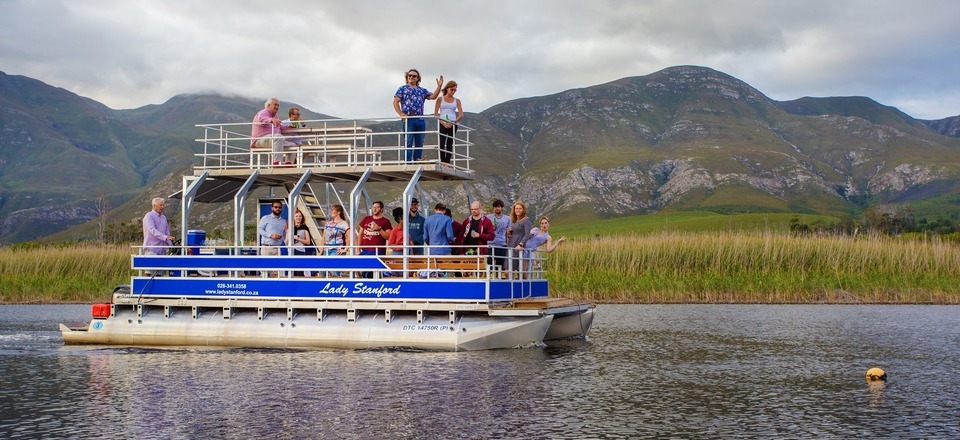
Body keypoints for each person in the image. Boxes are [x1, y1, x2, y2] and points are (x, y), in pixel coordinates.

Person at [393, 69, 443, 162]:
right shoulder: (402, 89)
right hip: (409, 118)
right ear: (407, 77)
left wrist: (439, 87)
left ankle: (417, 160)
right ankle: (408, 162)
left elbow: (433, 97)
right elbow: (396, 101)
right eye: (409, 75)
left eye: (414, 76)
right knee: (408, 141)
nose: (411, 77)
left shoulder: (422, 90)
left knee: (419, 142)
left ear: (417, 78)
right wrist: (400, 113)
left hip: (420, 118)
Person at [250, 97, 295, 166]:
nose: (277, 107)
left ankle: (289, 164)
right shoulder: (264, 112)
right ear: (268, 105)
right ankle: (277, 162)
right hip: (260, 139)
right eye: (275, 105)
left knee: (292, 145)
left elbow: (278, 126)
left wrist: (287, 126)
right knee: (278, 137)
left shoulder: (275, 116)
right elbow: (261, 119)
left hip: (273, 139)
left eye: (278, 105)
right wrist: (271, 120)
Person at [142, 197, 175, 277]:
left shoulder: (164, 218)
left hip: (162, 250)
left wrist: (171, 246)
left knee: (160, 274)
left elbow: (167, 232)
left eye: (163, 205)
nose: (162, 207)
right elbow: (152, 230)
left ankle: (158, 289)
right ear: (154, 205)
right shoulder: (149, 216)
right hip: (152, 248)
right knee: (149, 272)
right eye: (160, 205)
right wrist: (165, 237)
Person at [434, 80, 463, 164]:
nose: (453, 91)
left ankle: (447, 163)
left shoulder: (457, 101)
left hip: (452, 123)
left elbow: (461, 114)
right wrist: (443, 122)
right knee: (442, 143)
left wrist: (453, 122)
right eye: (452, 89)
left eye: (455, 90)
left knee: (450, 143)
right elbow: (436, 114)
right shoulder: (440, 99)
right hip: (442, 122)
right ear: (447, 89)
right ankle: (443, 161)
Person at [258, 201, 287, 277]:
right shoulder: (266, 218)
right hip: (266, 247)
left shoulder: (283, 221)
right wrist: (270, 235)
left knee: (275, 272)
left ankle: (274, 288)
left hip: (277, 248)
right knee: (264, 271)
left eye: (279, 207)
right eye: (276, 207)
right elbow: (259, 229)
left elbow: (285, 235)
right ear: (272, 208)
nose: (277, 209)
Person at [321, 204, 350, 277]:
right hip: (327, 249)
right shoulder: (328, 223)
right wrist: (321, 249)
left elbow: (350, 236)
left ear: (338, 212)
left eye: (333, 210)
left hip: (337, 249)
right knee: (323, 270)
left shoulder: (343, 223)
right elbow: (324, 237)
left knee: (334, 270)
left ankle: (336, 285)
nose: (331, 211)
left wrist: (345, 249)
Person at [505, 201, 533, 277]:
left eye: (520, 208)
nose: (518, 210)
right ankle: (510, 287)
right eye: (516, 208)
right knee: (507, 271)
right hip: (511, 246)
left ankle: (523, 287)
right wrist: (508, 233)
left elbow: (527, 234)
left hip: (519, 247)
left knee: (521, 272)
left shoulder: (526, 220)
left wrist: (521, 244)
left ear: (523, 210)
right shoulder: (513, 221)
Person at [486, 199, 511, 273]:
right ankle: (489, 279)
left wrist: (508, 244)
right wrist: (490, 227)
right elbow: (484, 229)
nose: (497, 208)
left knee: (500, 266)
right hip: (490, 244)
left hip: (502, 244)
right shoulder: (488, 217)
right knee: (489, 264)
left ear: (502, 208)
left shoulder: (507, 219)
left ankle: (498, 280)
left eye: (498, 207)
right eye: (495, 207)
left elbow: (509, 233)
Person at [288, 209, 313, 277]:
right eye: (296, 216)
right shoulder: (290, 228)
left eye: (300, 216)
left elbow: (308, 242)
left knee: (300, 270)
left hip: (300, 250)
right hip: (292, 250)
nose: (298, 218)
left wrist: (298, 238)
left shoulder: (304, 228)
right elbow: (286, 241)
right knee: (292, 270)